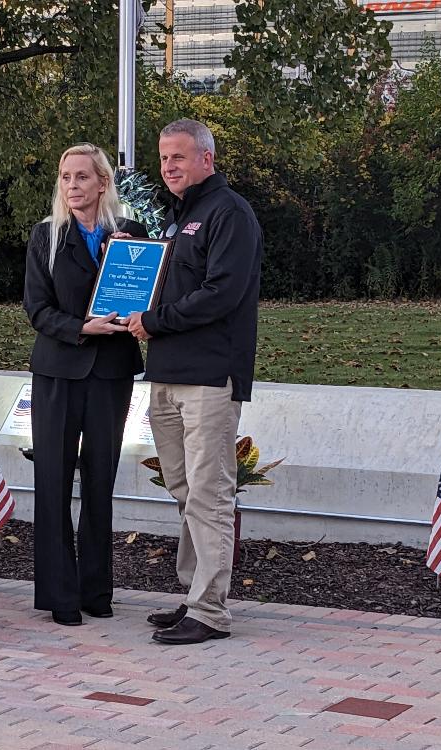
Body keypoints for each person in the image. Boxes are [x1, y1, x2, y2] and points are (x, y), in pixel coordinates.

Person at [126, 119, 263, 645]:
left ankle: (210, 610)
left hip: (209, 376)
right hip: (164, 373)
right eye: (163, 159)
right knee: (184, 489)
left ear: (206, 158)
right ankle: (193, 595)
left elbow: (221, 293)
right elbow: (165, 281)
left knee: (207, 492)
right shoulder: (178, 216)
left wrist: (156, 321)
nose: (169, 167)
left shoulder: (230, 214)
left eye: (179, 157)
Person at [24, 143, 147, 626]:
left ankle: (97, 590)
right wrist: (80, 328)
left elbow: (147, 289)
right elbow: (37, 308)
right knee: (53, 479)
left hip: (111, 372)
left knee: (100, 480)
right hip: (58, 369)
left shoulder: (131, 235)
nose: (72, 187)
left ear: (102, 183)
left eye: (81, 178)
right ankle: (61, 595)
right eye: (65, 178)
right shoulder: (45, 237)